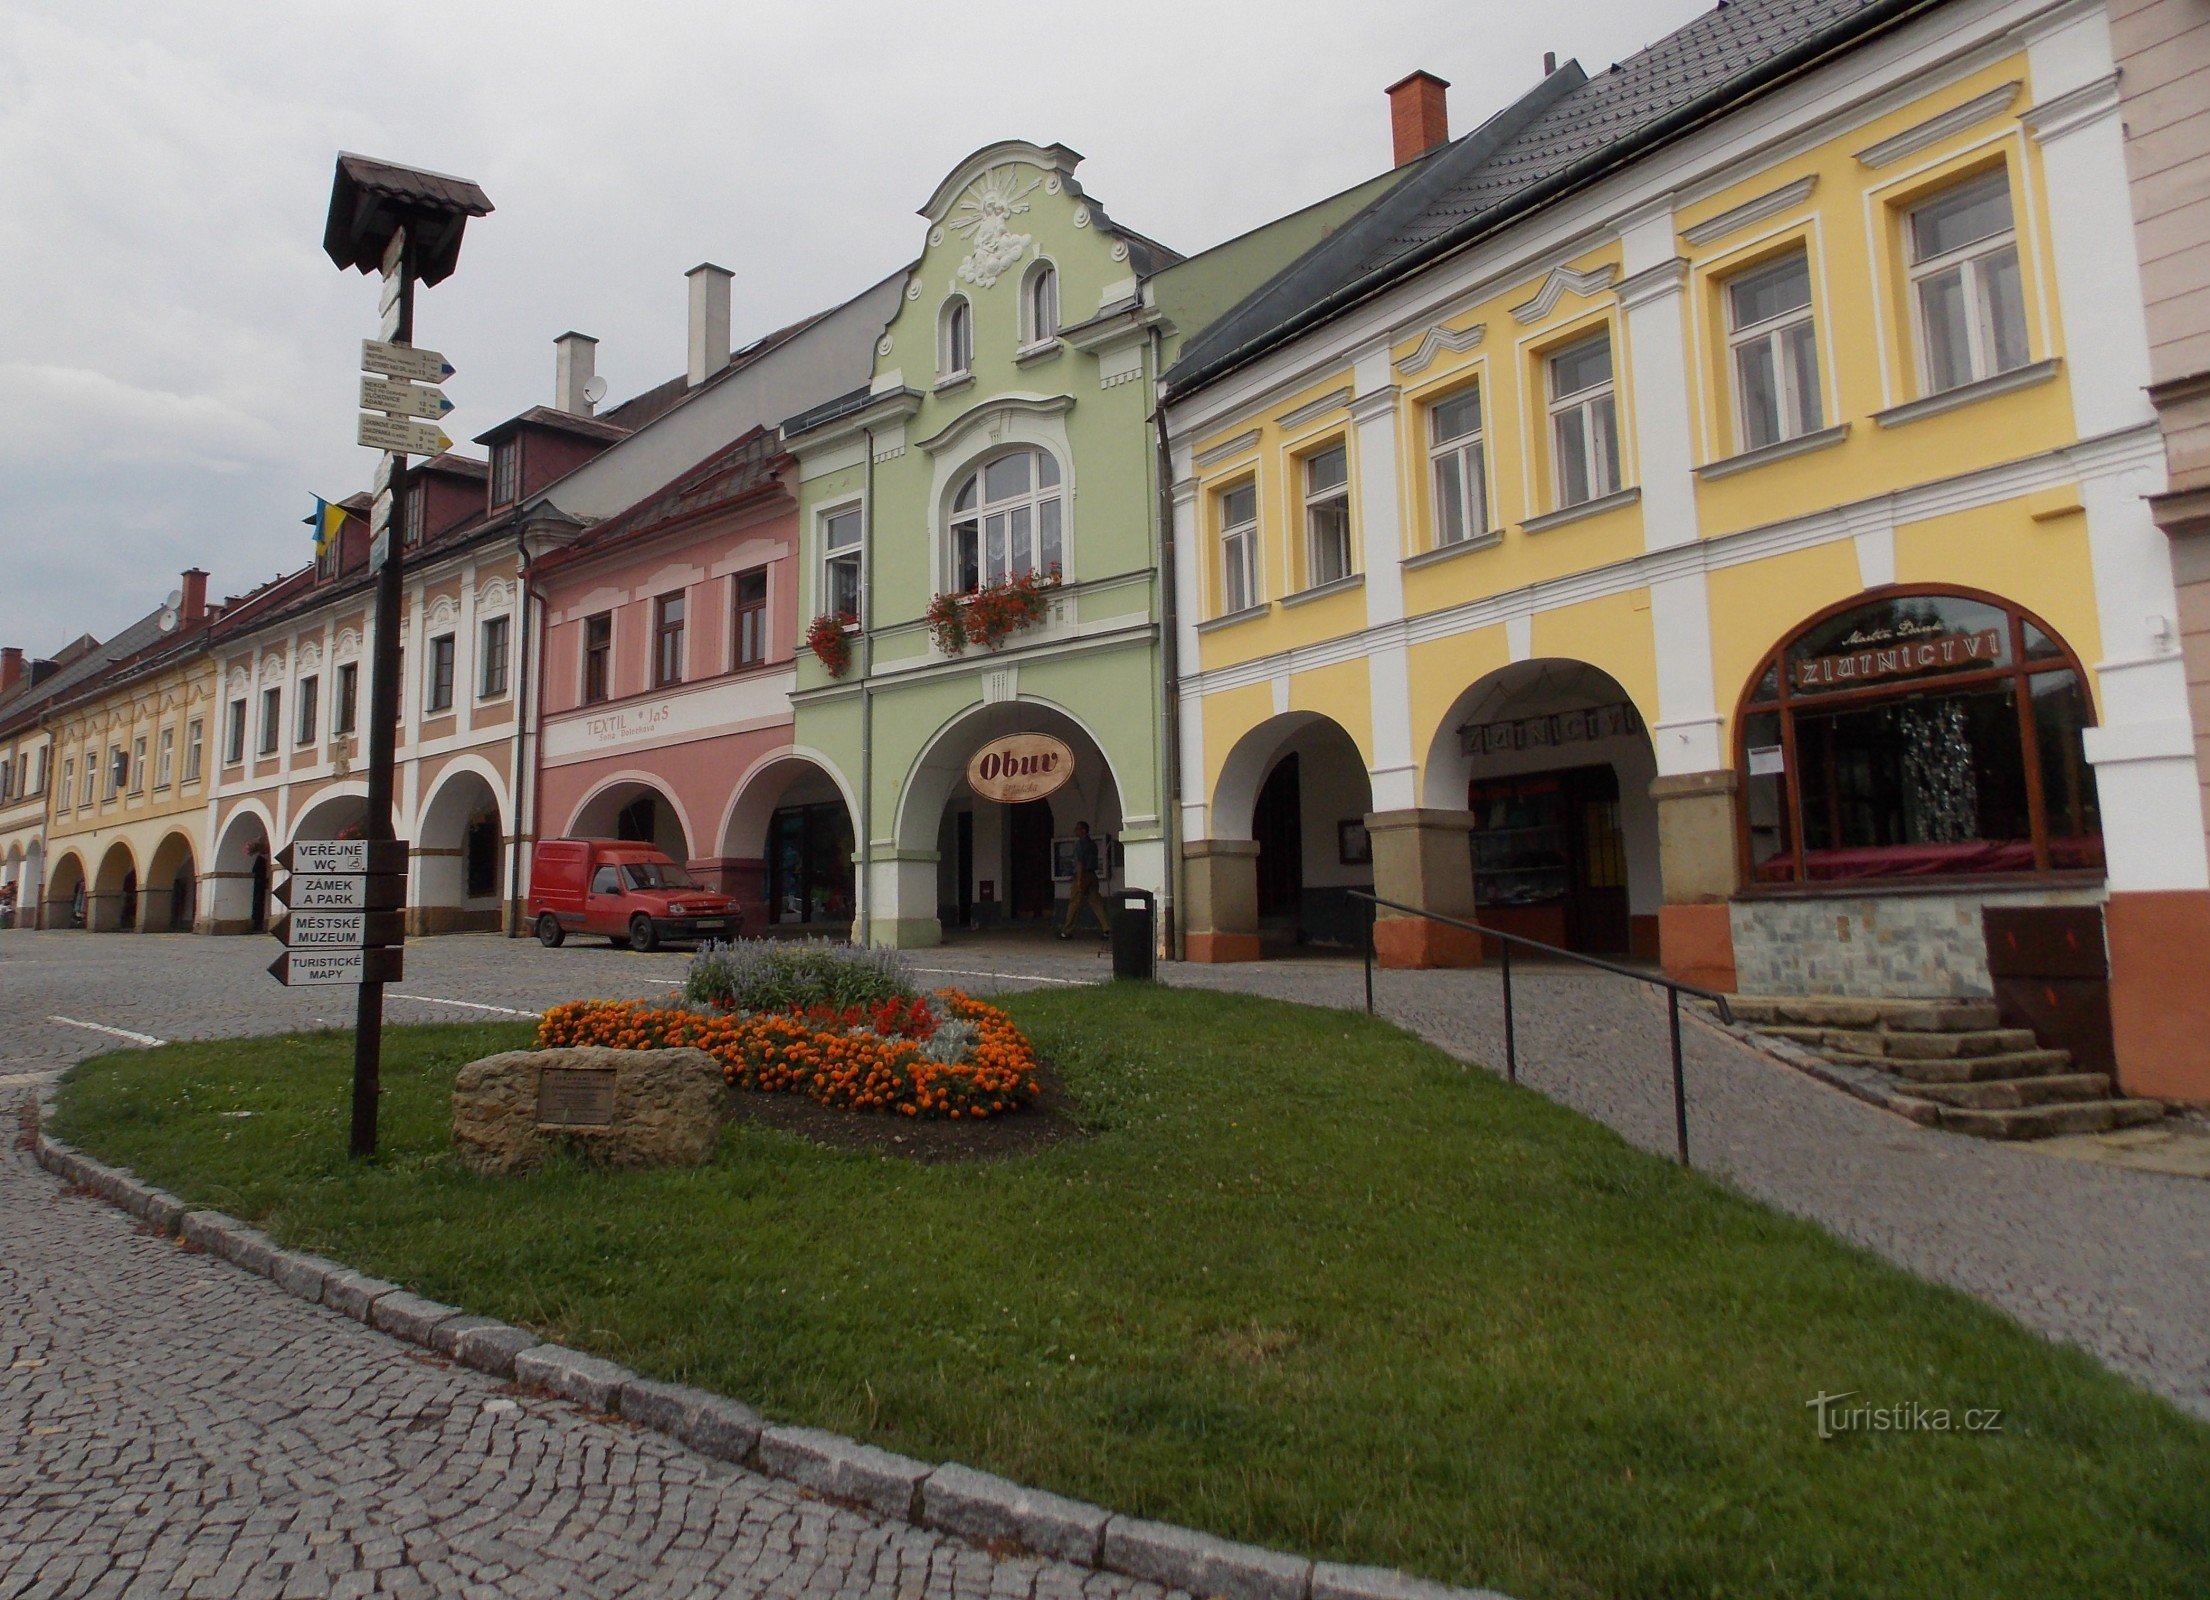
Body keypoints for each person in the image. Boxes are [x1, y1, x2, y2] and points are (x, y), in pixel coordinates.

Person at [1058, 820, 1112, 940]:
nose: (1075, 831)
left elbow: (1079, 863)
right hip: (1093, 875)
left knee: (1074, 903)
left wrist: (1079, 880)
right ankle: (1107, 929)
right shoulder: (1092, 844)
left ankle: (1066, 931)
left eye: (1077, 829)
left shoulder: (1080, 844)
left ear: (1083, 830)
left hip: (1083, 875)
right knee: (1096, 903)